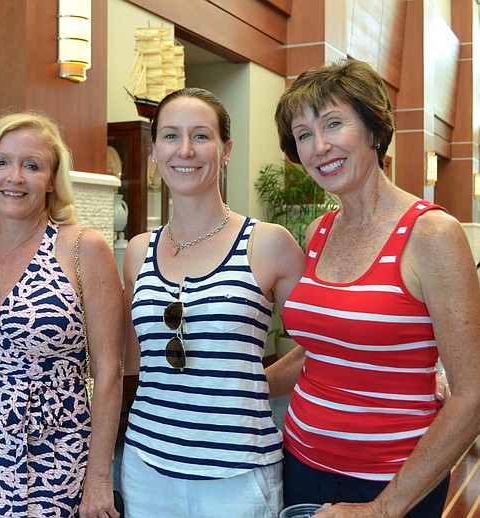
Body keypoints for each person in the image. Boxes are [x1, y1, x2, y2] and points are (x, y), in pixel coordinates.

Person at [268, 58, 480, 517]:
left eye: (333, 124)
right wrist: (252, 385)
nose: (319, 146)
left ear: (373, 130)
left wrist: (383, 509)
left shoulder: (432, 235)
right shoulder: (319, 231)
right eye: (303, 135)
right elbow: (322, 347)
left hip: (393, 482)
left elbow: (470, 396)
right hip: (300, 460)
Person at [120, 87, 306, 517]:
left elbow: (323, 344)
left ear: (226, 150)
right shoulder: (137, 251)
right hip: (146, 468)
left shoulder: (267, 244)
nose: (184, 149)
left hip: (238, 475)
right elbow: (134, 360)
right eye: (170, 136)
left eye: (201, 136)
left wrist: (253, 385)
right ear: (154, 151)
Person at [0, 112, 124, 517]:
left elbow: (109, 371)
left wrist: (98, 479)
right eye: (2, 162)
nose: (15, 177)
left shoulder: (82, 248)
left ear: (52, 179)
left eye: (32, 166)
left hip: (56, 455)